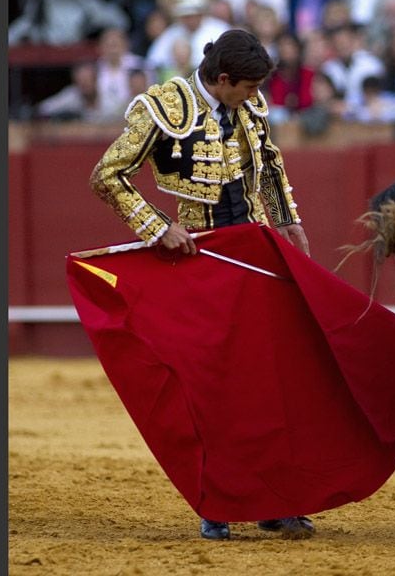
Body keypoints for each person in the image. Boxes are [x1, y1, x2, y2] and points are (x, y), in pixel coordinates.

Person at [89, 29, 314, 541]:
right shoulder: (162, 107)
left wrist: (286, 219)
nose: (256, 98)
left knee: (269, 381)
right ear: (224, 78)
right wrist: (156, 226)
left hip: (255, 255)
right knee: (212, 386)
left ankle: (274, 501)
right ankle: (218, 502)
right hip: (199, 261)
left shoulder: (248, 106)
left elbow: (270, 162)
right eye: (249, 88)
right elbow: (107, 175)